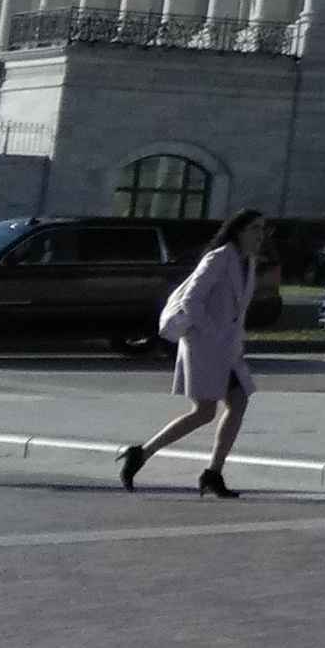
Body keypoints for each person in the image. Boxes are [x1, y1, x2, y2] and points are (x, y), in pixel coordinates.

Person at [120, 207, 264, 499]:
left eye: (263, 230)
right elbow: (191, 300)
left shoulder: (247, 262)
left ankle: (212, 472)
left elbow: (238, 310)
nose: (261, 235)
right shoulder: (218, 258)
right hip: (204, 345)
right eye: (255, 229)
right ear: (238, 231)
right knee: (205, 411)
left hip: (228, 347)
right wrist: (212, 335)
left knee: (236, 403)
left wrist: (233, 339)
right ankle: (143, 454)